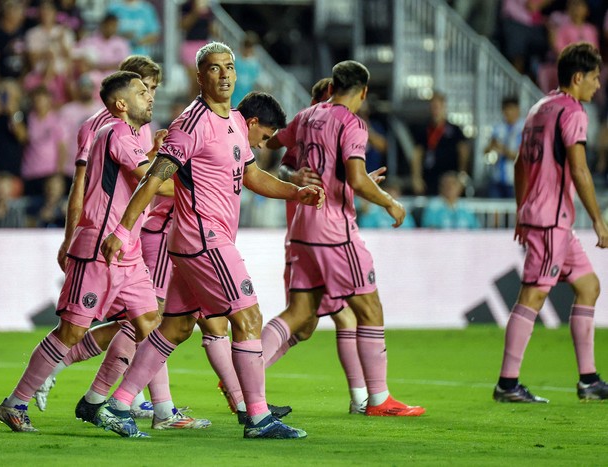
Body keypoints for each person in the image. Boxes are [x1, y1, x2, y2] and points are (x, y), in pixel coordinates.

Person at [97, 41, 323, 439]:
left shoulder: (235, 121)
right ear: (200, 76)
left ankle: (117, 405)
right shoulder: (191, 123)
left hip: (203, 240)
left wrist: (294, 191)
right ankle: (257, 417)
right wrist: (121, 228)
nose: (224, 75)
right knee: (248, 316)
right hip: (203, 236)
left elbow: (252, 176)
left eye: (229, 67)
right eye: (214, 69)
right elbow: (154, 179)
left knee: (176, 328)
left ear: (236, 74)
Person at [0, 70, 207, 433]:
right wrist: (207, 180)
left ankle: (159, 411)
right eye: (142, 92)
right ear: (122, 104)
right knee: (71, 332)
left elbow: (141, 176)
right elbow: (153, 184)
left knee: (150, 328)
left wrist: (157, 153)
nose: (150, 97)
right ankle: (15, 403)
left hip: (129, 252)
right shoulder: (116, 133)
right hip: (99, 249)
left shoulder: (129, 138)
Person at [262, 60, 425, 417]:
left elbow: (272, 141)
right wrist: (389, 202)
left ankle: (242, 374)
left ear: (333, 85)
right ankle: (378, 400)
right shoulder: (352, 123)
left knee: (300, 314)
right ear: (364, 92)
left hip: (302, 227)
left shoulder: (307, 116)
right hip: (334, 230)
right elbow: (354, 177)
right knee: (369, 309)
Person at [493, 42, 608, 403]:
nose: (598, 85)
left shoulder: (539, 108)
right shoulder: (573, 112)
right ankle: (507, 384)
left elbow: (519, 165)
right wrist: (599, 220)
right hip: (551, 220)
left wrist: (521, 209)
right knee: (534, 294)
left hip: (547, 219)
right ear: (578, 77)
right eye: (594, 78)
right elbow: (579, 168)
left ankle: (588, 381)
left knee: (588, 286)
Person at [411, 91, 469, 196]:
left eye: (438, 107)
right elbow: (417, 154)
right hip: (430, 177)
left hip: (450, 178)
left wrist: (462, 174)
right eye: (433, 107)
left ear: (444, 107)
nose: (435, 110)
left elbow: (463, 152)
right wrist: (416, 177)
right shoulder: (424, 129)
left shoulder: (454, 129)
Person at [484, 96, 524, 198]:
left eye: (511, 109)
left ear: (517, 110)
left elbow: (523, 157)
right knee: (495, 211)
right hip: (496, 179)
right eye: (505, 109)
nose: (508, 112)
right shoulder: (498, 128)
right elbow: (486, 151)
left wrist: (503, 150)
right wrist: (490, 147)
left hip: (515, 180)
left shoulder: (524, 129)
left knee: (514, 211)